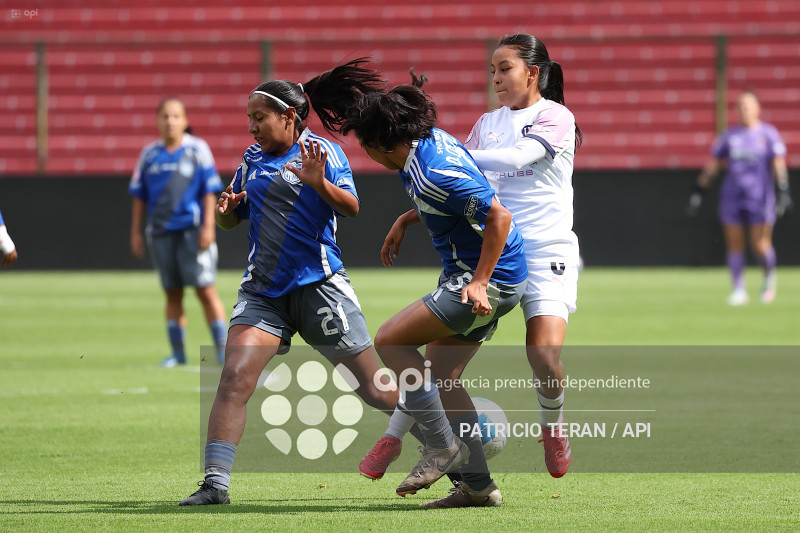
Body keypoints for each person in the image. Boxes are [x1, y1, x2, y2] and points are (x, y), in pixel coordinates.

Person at [305, 60, 528, 508]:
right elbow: (462, 198)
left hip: (487, 276)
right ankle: (478, 488)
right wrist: (409, 219)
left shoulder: (431, 173)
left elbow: (498, 216)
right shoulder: (426, 143)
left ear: (380, 145)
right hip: (498, 274)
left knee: (390, 340)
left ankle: (440, 446)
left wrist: (481, 282)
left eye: (365, 147)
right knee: (442, 379)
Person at [361, 34, 583, 483]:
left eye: (506, 69)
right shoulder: (487, 122)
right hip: (493, 248)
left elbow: (512, 157)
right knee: (440, 368)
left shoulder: (555, 117)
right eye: (493, 71)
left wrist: (434, 147)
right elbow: (459, 187)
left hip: (543, 250)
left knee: (542, 353)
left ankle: (554, 425)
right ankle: (398, 435)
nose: (497, 78)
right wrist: (409, 217)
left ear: (533, 73)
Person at [179, 78, 399, 506]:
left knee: (375, 391)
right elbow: (234, 216)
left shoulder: (323, 153)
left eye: (259, 118)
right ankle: (215, 485)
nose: (252, 127)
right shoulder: (251, 158)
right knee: (234, 377)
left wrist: (318, 183)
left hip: (319, 288)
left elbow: (351, 207)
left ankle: (455, 449)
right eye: (249, 119)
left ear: (289, 117)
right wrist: (225, 213)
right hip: (264, 292)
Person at [129, 96, 228, 367]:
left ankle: (223, 352)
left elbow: (210, 190)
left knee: (205, 290)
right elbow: (139, 195)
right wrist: (136, 232)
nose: (170, 121)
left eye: (175, 116)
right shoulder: (149, 154)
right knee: (172, 293)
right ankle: (178, 354)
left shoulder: (198, 149)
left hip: (192, 231)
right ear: (157, 121)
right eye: (165, 116)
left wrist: (209, 227)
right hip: (160, 233)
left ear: (185, 121)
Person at [687, 89, 793, 305]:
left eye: (748, 105)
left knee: (759, 244)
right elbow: (713, 166)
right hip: (732, 197)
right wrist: (699, 191)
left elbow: (778, 164)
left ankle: (768, 278)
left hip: (760, 198)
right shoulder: (730, 136)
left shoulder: (768, 134)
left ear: (758, 109)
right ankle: (738, 289)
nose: (744, 110)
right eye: (740, 106)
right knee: (734, 244)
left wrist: (783, 190)